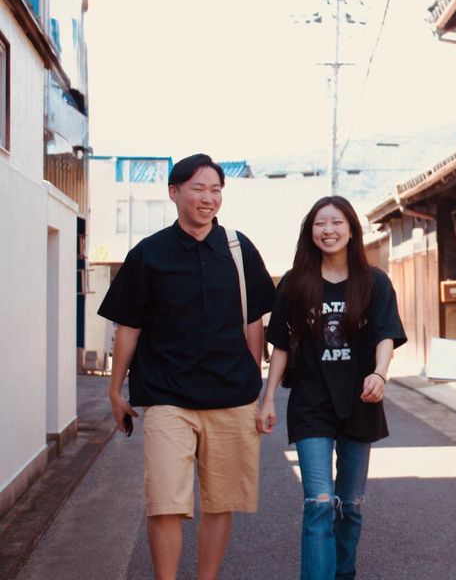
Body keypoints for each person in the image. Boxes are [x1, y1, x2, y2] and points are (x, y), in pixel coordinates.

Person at [98, 153, 275, 580]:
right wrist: (115, 390)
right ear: (174, 192)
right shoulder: (148, 254)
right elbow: (129, 327)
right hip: (166, 397)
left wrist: (255, 383)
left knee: (221, 501)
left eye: (215, 190)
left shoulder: (238, 249)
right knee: (165, 503)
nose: (208, 198)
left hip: (230, 396)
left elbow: (254, 320)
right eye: (198, 188)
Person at [258, 195, 406, 580]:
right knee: (320, 502)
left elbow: (386, 334)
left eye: (337, 222)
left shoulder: (374, 282)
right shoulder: (295, 283)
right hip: (311, 403)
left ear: (352, 230)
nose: (328, 230)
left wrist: (380, 374)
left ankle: (343, 573)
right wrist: (268, 398)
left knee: (351, 505)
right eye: (320, 223)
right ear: (310, 232)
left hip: (361, 401)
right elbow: (280, 346)